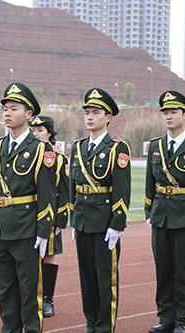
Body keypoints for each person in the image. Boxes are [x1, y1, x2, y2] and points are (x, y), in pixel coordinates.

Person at [0, 83, 56, 333]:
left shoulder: (41, 150)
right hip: (0, 227)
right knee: (5, 289)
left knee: (29, 289)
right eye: (5, 108)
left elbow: (48, 196)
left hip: (27, 229)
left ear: (28, 114)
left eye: (14, 108)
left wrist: (43, 230)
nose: (7, 113)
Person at [145, 91, 185, 333]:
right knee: (163, 270)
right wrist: (149, 213)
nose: (169, 117)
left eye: (173, 112)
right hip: (161, 216)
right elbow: (151, 184)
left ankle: (182, 320)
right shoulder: (155, 146)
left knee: (183, 271)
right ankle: (166, 318)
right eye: (165, 113)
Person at [69, 88, 131, 333]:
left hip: (105, 223)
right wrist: (74, 219)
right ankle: (91, 324)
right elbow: (74, 188)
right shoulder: (78, 147)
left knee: (106, 279)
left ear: (108, 118)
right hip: (83, 221)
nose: (89, 117)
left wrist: (117, 224)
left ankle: (104, 327)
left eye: (96, 113)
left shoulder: (118, 148)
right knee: (87, 280)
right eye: (87, 113)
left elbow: (121, 190)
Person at [29, 115, 69, 318]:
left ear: (50, 134)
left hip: (49, 214)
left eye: (40, 131)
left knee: (48, 256)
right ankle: (30, 298)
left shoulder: (59, 159)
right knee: (28, 256)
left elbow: (64, 192)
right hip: (26, 212)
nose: (35, 134)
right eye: (33, 131)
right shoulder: (26, 155)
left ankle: (47, 299)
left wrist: (61, 218)